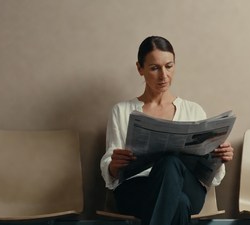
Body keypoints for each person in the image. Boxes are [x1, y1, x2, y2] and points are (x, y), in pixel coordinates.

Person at [100, 36, 234, 225]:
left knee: (170, 162)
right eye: (155, 68)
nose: (164, 76)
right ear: (140, 68)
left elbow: (210, 176)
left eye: (169, 66)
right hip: (137, 189)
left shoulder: (193, 110)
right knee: (178, 203)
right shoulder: (121, 111)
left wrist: (220, 157)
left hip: (188, 185)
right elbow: (110, 169)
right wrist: (114, 165)